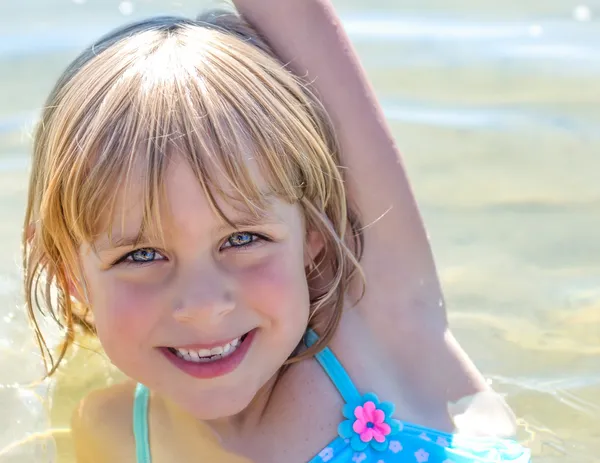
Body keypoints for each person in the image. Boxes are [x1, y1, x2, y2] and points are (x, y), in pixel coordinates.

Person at [22, 0, 531, 461]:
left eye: (242, 240)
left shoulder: (378, 332)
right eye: (142, 255)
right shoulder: (115, 436)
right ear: (68, 271)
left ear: (315, 232)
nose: (203, 304)